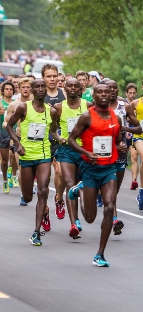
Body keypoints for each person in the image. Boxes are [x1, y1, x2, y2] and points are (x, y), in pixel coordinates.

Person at [68, 83, 125, 267]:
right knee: (90, 218)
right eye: (99, 91)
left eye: (106, 92)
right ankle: (80, 189)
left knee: (109, 207)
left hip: (109, 168)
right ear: (94, 95)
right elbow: (71, 139)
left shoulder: (116, 118)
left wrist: (120, 146)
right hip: (90, 169)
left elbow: (115, 142)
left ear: (111, 94)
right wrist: (86, 153)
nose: (103, 94)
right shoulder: (87, 116)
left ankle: (100, 254)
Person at [6, 79, 58, 246]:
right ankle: (37, 207)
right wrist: (17, 143)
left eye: (43, 86)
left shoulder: (51, 111)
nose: (41, 89)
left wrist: (60, 139)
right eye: (38, 87)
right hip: (27, 155)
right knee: (28, 197)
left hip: (44, 155)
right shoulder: (23, 108)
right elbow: (9, 126)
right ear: (33, 90)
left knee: (43, 190)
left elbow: (53, 131)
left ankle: (36, 232)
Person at [52, 78, 93, 239]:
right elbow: (53, 130)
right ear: (65, 88)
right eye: (70, 85)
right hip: (67, 150)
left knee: (82, 185)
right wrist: (59, 138)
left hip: (84, 150)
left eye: (76, 85)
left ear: (80, 88)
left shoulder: (88, 106)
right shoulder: (58, 108)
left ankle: (78, 216)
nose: (73, 88)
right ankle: (73, 223)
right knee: (70, 183)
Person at [106, 80, 142, 234]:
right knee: (109, 184)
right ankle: (114, 218)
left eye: (115, 88)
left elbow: (138, 127)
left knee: (115, 188)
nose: (112, 91)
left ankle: (111, 214)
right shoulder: (95, 107)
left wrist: (124, 128)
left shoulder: (124, 106)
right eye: (109, 88)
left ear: (117, 90)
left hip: (120, 151)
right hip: (102, 152)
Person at [43, 64, 67, 223]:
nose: (52, 79)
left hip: (60, 138)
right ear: (43, 78)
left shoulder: (64, 94)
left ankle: (59, 198)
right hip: (42, 140)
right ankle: (44, 209)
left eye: (54, 76)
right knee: (44, 178)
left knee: (60, 172)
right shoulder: (37, 94)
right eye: (49, 76)